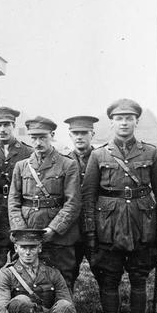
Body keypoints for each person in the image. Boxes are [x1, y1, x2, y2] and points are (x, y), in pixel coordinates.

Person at [82, 99, 157, 313]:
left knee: (139, 279)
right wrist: (92, 233)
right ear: (112, 122)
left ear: (137, 121)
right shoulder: (99, 155)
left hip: (143, 225)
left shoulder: (150, 153)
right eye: (119, 118)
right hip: (109, 226)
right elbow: (88, 197)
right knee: (109, 279)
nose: (124, 122)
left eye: (129, 118)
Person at [7, 116, 81, 290]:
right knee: (29, 278)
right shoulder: (21, 166)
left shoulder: (68, 164)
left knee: (63, 277)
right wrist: (21, 230)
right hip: (28, 230)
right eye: (34, 138)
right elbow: (13, 201)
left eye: (43, 137)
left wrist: (53, 229)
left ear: (52, 135)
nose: (38, 142)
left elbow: (73, 203)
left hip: (58, 235)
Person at [0, 107, 32, 309]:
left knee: (23, 261)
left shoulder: (27, 152)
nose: (2, 129)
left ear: (13, 126)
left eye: (6, 125)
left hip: (20, 213)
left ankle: (22, 307)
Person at [63, 115, 100, 289]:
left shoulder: (103, 158)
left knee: (102, 270)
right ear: (70, 135)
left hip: (97, 225)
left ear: (92, 134)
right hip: (71, 226)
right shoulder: (62, 161)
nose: (79, 137)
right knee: (68, 269)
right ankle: (66, 310)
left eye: (84, 132)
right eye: (75, 133)